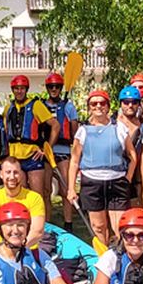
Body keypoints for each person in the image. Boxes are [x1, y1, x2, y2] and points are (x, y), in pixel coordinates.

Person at [69, 89, 135, 247]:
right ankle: (102, 258)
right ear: (89, 107)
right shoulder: (83, 131)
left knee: (120, 226)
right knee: (98, 227)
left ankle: (121, 257)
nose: (98, 106)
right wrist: (71, 188)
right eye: (94, 103)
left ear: (108, 106)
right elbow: (74, 161)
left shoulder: (119, 128)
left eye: (102, 103)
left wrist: (128, 179)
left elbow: (133, 157)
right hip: (92, 183)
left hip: (117, 181)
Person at [0, 156, 49, 264]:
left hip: (27, 249)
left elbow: (37, 231)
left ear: (21, 174)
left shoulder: (34, 198)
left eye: (16, 172)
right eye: (8, 172)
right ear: (1, 174)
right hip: (1, 250)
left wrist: (18, 250)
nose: (12, 177)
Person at [0, 74, 56, 203]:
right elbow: (6, 131)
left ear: (26, 89)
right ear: (13, 90)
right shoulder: (8, 108)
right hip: (15, 158)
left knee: (37, 195)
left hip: (32, 156)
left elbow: (55, 126)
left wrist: (46, 149)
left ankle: (41, 222)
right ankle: (23, 222)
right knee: (19, 195)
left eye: (22, 88)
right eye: (16, 88)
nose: (19, 91)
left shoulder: (36, 105)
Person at [44, 72, 81, 225]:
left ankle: (68, 222)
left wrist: (73, 144)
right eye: (51, 86)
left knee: (66, 188)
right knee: (46, 190)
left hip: (63, 152)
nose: (54, 89)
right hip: (46, 152)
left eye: (57, 86)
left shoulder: (68, 106)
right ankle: (47, 222)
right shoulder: (41, 106)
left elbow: (74, 127)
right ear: (47, 88)